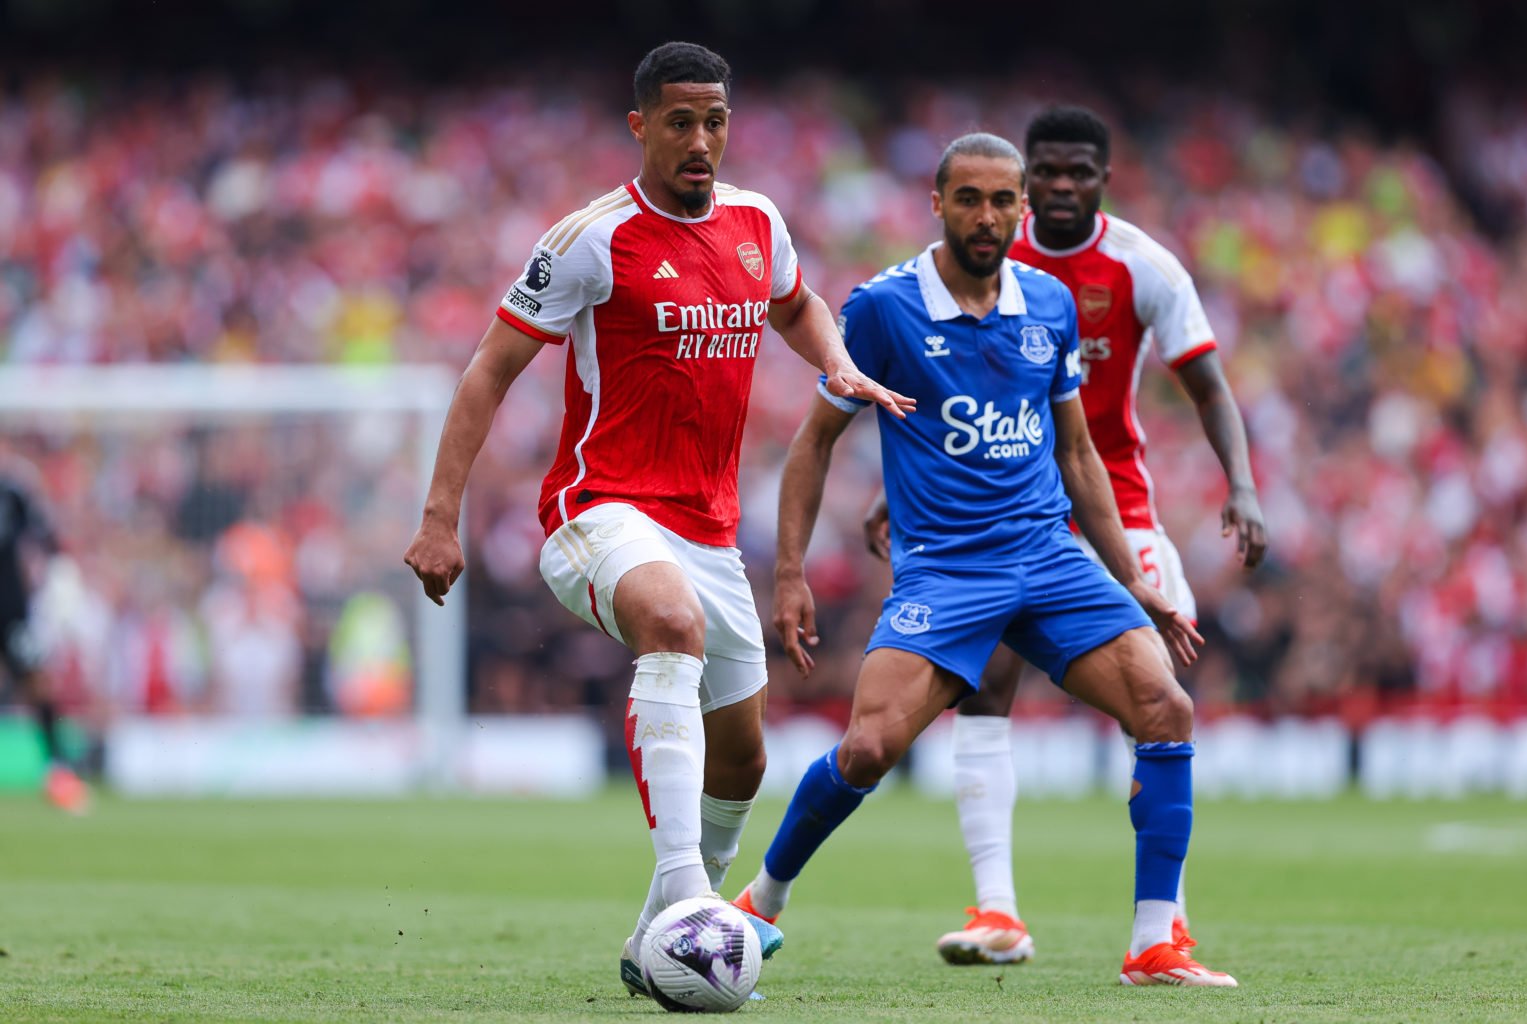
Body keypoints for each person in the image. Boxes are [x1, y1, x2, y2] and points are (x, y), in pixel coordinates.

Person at [401, 41, 913, 999]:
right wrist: (440, 519)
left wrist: (835, 362)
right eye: (680, 121)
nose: (701, 140)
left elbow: (796, 305)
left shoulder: (759, 221)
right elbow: (488, 371)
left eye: (715, 120)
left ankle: (657, 942)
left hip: (709, 531)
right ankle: (691, 903)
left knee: (746, 757)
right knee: (669, 625)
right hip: (599, 511)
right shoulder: (591, 239)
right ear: (640, 126)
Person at [732, 132, 1237, 986]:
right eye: (969, 198)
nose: (987, 215)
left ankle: (1155, 943)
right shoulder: (884, 308)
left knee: (1164, 706)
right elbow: (814, 443)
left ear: (1022, 210)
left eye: (1004, 201)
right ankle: (760, 902)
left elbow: (1078, 457)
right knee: (866, 750)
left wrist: (1132, 578)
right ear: (938, 203)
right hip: (947, 570)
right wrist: (789, 573)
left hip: (1051, 559)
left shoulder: (1047, 303)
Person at [863, 105, 1268, 967]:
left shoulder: (1140, 265)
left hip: (1113, 504)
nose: (1054, 188)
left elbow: (1207, 383)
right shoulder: (981, 254)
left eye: (1074, 173)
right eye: (1042, 172)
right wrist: (890, 491)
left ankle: (1165, 929)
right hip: (1002, 519)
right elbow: (937, 397)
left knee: (1155, 697)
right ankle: (997, 910)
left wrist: (1241, 483)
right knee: (988, 685)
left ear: (1102, 180)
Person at [0, 451, 89, 814]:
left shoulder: (12, 492)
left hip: (10, 610)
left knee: (37, 682)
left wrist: (55, 579)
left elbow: (47, 538)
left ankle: (58, 770)